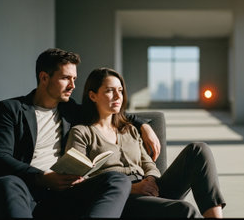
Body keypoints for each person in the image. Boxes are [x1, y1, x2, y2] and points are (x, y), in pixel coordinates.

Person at [0, 48, 156, 218]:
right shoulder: (11, 109)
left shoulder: (69, 108)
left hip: (66, 192)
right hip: (26, 187)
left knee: (118, 180)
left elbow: (109, 110)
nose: (73, 85)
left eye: (74, 79)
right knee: (5, 183)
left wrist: (143, 126)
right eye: (66, 78)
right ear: (44, 77)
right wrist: (42, 177)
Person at [65, 67, 226, 218]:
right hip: (122, 198)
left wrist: (150, 180)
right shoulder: (82, 132)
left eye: (120, 91)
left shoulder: (129, 130)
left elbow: (148, 163)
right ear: (93, 96)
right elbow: (79, 182)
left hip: (149, 188)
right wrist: (133, 188)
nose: (117, 96)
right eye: (109, 91)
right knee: (185, 209)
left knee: (198, 149)